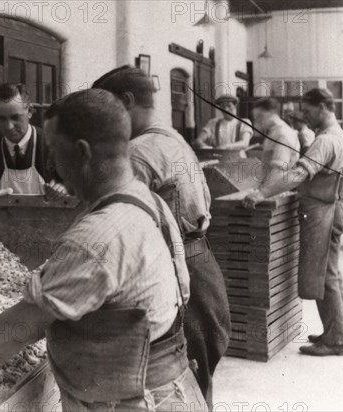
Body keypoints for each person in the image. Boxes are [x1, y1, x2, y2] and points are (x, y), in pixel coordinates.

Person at [0, 89, 207, 411]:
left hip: (130, 402)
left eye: (56, 152)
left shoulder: (95, 237)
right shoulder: (149, 200)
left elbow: (21, 328)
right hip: (173, 387)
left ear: (82, 152)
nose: (54, 165)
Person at [93, 66, 229, 408]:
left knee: (177, 380)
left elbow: (116, 226)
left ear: (126, 101)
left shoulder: (139, 152)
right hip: (202, 263)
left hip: (178, 271)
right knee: (197, 376)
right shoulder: (172, 138)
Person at [243, 88, 343, 356]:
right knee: (328, 275)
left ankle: (337, 340)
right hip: (330, 208)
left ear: (324, 107)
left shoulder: (326, 141)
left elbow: (298, 175)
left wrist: (262, 193)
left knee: (326, 276)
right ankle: (333, 332)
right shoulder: (336, 136)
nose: (304, 115)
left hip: (323, 211)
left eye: (308, 110)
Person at [0, 83, 64, 196]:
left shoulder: (54, 147)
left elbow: (80, 193)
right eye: (1, 118)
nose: (9, 126)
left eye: (15, 117)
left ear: (30, 112)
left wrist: (65, 189)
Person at [252, 97, 300, 176]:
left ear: (271, 112)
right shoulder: (273, 132)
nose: (258, 121)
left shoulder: (283, 134)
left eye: (260, 116)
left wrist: (261, 188)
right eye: (256, 118)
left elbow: (278, 173)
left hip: (279, 185)